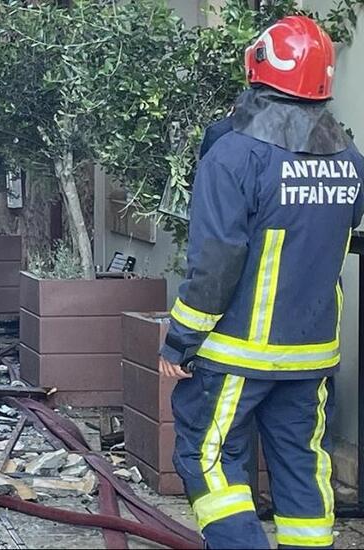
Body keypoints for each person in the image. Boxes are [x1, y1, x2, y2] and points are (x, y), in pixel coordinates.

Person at [159, 15, 364, 549]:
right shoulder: (349, 160)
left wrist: (181, 340)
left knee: (207, 456)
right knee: (303, 462)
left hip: (238, 352)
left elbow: (216, 261)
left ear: (258, 68)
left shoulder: (233, 154)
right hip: (312, 354)